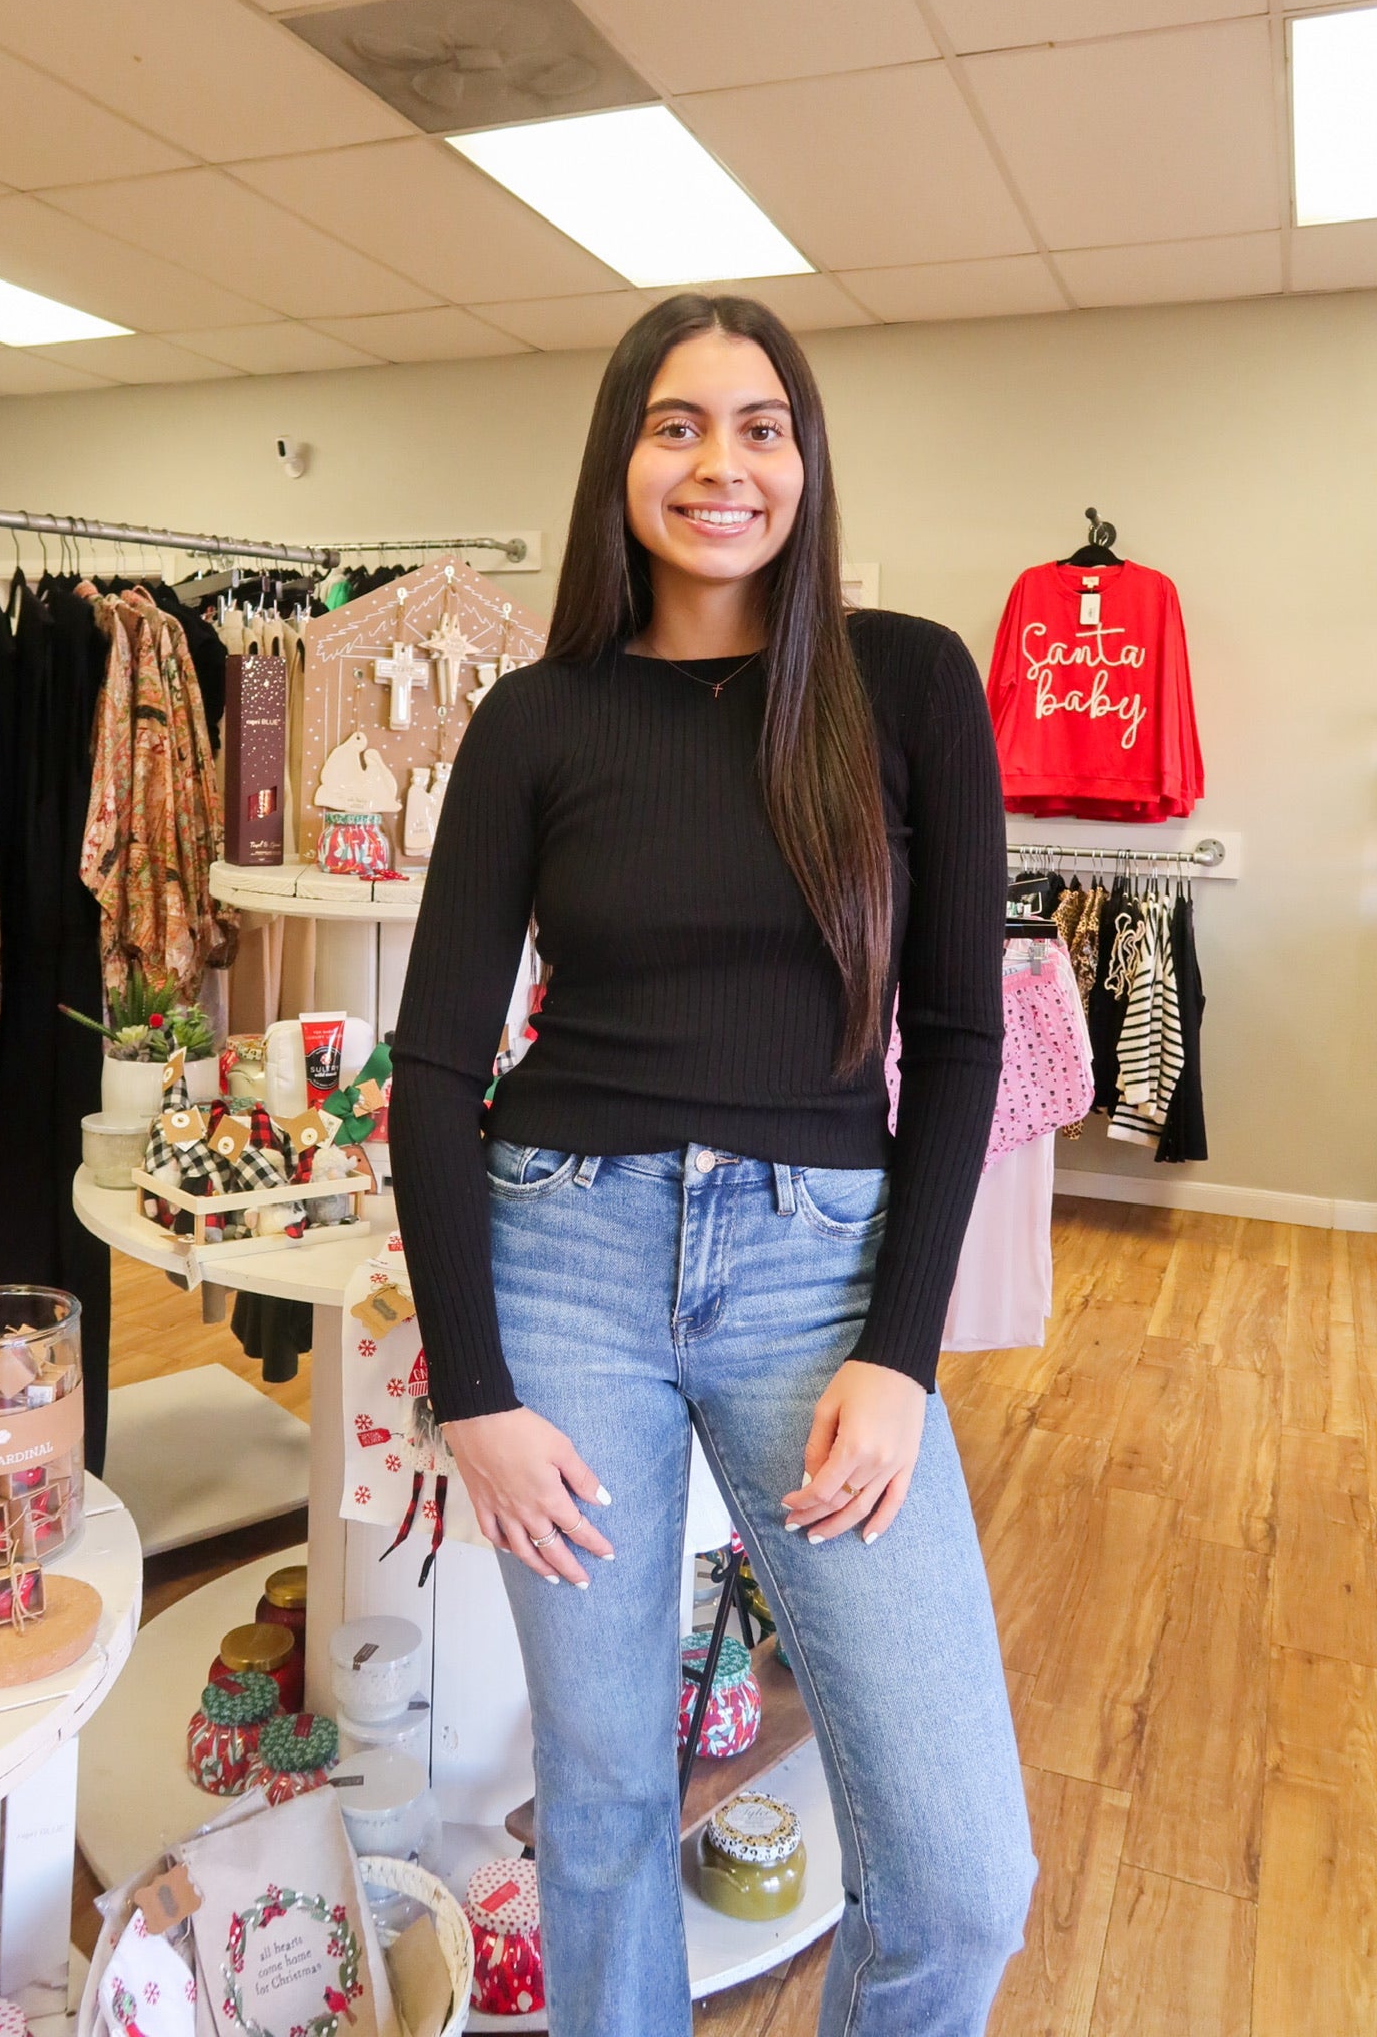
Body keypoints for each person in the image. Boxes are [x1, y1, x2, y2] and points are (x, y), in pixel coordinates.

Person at [389, 294, 1035, 2036]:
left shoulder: (905, 682)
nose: (722, 465)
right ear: (621, 459)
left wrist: (900, 1352)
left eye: (762, 425)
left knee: (968, 1877)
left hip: (820, 1282)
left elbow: (961, 1042)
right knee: (599, 1809)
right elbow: (436, 1063)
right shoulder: (538, 719)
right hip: (562, 1267)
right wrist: (476, 1385)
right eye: (677, 425)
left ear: (806, 461)